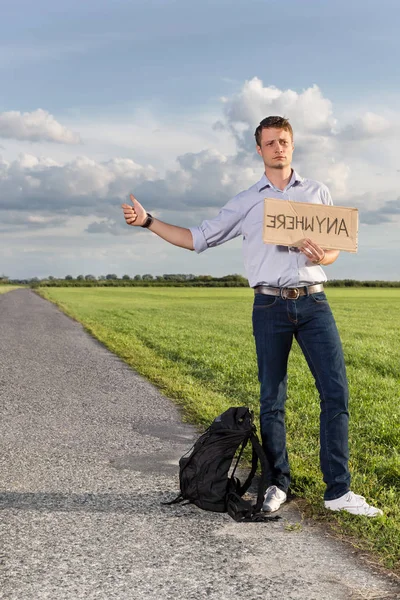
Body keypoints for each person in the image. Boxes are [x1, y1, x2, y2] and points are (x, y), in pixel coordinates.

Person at [121, 115, 382, 517]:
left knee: (336, 394)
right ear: (259, 150)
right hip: (269, 306)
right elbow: (197, 238)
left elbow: (334, 251)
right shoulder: (247, 201)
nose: (279, 147)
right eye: (271, 142)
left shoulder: (316, 191)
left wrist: (321, 254)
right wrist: (149, 222)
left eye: (284, 141)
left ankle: (338, 492)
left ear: (292, 146)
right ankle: (277, 483)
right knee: (271, 400)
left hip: (314, 302)